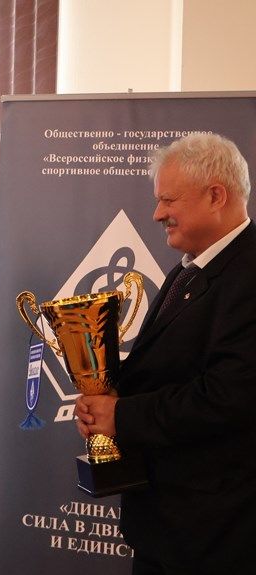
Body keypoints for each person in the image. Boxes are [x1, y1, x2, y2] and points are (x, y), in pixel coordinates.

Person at [75, 133, 256, 574]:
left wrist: (121, 416)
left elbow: (229, 397)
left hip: (218, 538)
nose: (157, 214)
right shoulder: (189, 270)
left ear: (216, 196)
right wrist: (105, 398)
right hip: (169, 528)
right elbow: (165, 370)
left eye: (168, 200)